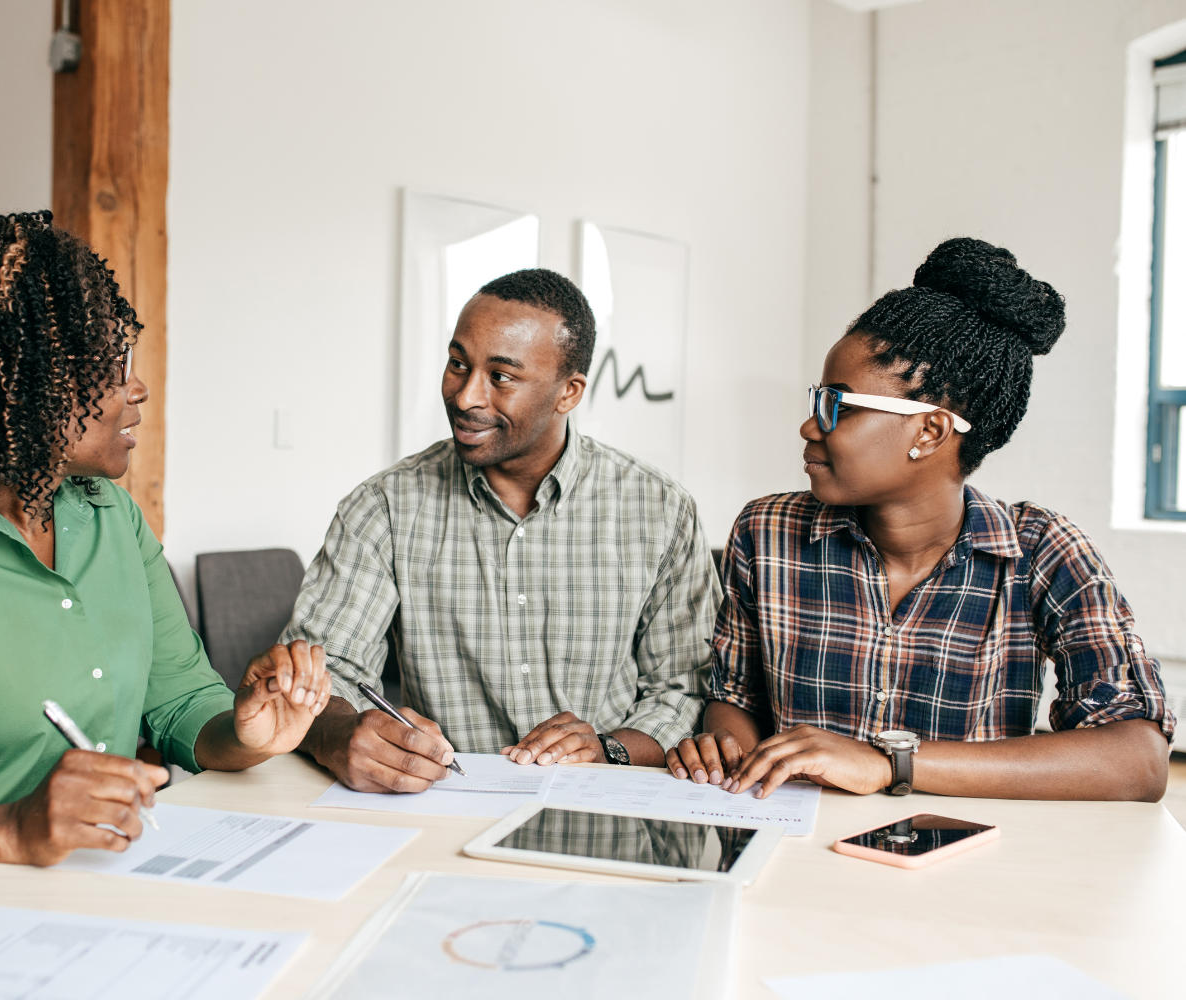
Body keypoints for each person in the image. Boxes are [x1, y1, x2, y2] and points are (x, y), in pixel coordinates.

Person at [0, 212, 331, 945]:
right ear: (10, 384)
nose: (135, 389)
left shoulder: (112, 520)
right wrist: (9, 830)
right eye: (105, 365)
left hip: (83, 912)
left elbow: (180, 706)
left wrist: (246, 730)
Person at [667, 238, 1174, 801]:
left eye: (839, 406)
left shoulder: (1041, 551)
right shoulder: (769, 532)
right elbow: (735, 698)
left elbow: (1140, 759)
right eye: (817, 401)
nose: (811, 426)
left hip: (961, 864)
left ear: (929, 431)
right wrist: (724, 746)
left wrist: (889, 764)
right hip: (793, 847)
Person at [282, 268, 721, 793]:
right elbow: (322, 675)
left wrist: (610, 748)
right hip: (439, 806)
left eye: (501, 377)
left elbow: (685, 687)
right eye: (457, 365)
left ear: (569, 392)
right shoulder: (384, 508)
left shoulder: (660, 510)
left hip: (603, 809)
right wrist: (339, 734)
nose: (466, 396)